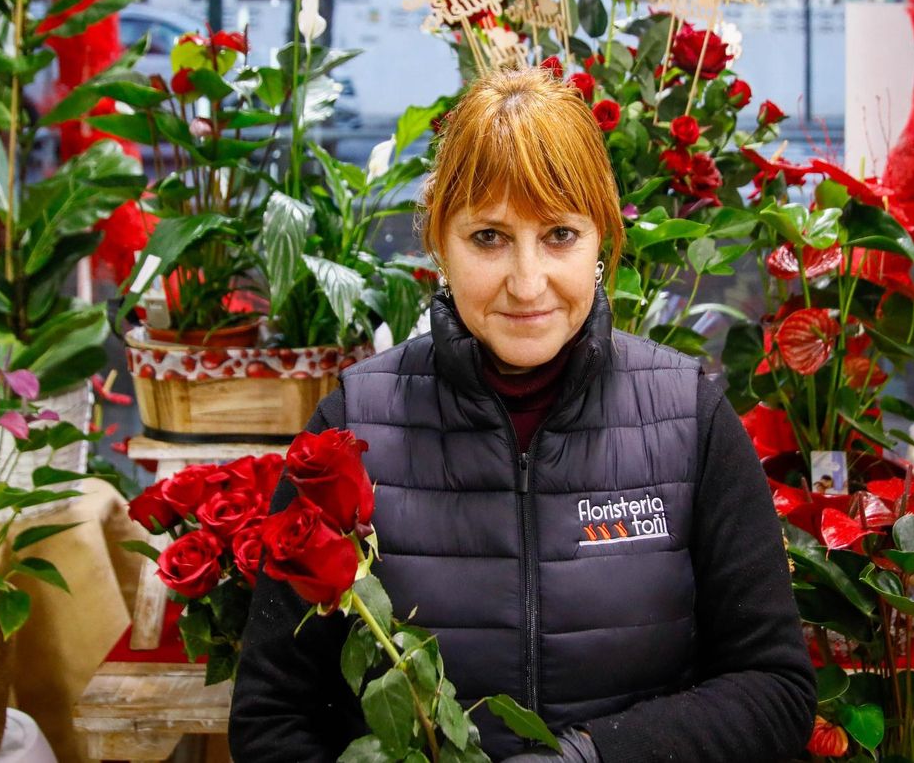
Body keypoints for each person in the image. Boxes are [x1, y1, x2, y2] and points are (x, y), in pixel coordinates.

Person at [230, 67, 816, 762]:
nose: (527, 281)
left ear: (601, 241)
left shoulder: (689, 417)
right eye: (488, 238)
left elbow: (774, 688)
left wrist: (589, 759)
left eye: (560, 235)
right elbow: (271, 720)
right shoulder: (351, 429)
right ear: (439, 244)